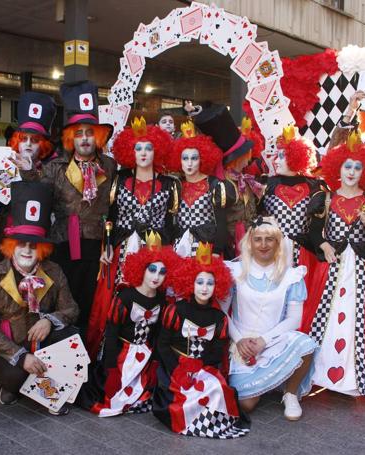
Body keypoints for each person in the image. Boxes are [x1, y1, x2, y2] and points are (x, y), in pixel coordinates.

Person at [20, 81, 116, 335]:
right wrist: (27, 169)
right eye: (79, 133)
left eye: (89, 132)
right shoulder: (55, 167)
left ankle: (91, 355)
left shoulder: (110, 165)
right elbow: (36, 193)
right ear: (70, 137)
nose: (84, 138)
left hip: (98, 247)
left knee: (93, 305)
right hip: (63, 245)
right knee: (64, 302)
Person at [0, 181, 79, 415]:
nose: (27, 250)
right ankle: (15, 385)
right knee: (14, 374)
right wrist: (20, 356)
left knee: (70, 334)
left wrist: (50, 320)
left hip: (44, 344)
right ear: (10, 246)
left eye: (33, 246)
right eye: (21, 244)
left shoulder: (54, 271)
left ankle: (51, 391)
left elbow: (71, 309)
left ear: (41, 250)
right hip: (11, 347)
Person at [302, 134, 365, 397]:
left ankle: (354, 376)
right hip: (332, 268)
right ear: (337, 168)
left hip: (363, 269)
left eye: (357, 167)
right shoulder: (324, 198)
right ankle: (318, 373)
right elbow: (314, 230)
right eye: (347, 166)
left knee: (360, 317)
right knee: (325, 315)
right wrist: (324, 245)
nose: (351, 172)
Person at [87, 117, 177, 356]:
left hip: (153, 253)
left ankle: (145, 350)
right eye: (138, 148)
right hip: (122, 249)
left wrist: (160, 243)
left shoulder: (169, 184)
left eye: (149, 148)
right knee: (117, 298)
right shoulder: (120, 180)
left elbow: (171, 224)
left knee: (149, 298)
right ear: (130, 151)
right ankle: (109, 352)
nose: (144, 153)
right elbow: (110, 216)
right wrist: (107, 245)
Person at [152, 243, 250, 438]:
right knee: (183, 396)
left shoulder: (219, 317)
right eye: (199, 282)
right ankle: (187, 418)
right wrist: (177, 369)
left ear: (217, 286)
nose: (204, 288)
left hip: (203, 367)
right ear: (190, 283)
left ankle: (205, 422)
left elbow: (216, 350)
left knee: (217, 389)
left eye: (210, 283)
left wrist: (201, 369)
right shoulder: (176, 310)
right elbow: (162, 344)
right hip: (174, 366)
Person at [224, 217, 316, 421]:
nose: (263, 245)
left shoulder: (292, 275)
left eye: (269, 239)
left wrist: (264, 341)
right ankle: (268, 380)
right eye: (258, 239)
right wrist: (239, 340)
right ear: (250, 242)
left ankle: (290, 394)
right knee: (245, 404)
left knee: (306, 344)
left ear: (277, 243)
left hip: (273, 341)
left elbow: (294, 320)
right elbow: (222, 313)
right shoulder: (234, 271)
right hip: (241, 345)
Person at [77, 235, 179, 416]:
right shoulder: (125, 297)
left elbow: (156, 336)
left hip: (144, 361)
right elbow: (111, 334)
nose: (156, 276)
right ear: (142, 269)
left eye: (162, 272)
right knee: (110, 396)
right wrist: (111, 368)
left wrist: (155, 362)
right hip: (120, 357)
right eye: (152, 269)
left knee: (145, 395)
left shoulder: (162, 301)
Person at [259, 127, 323, 275]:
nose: (276, 161)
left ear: (295, 157)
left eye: (281, 156)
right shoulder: (267, 184)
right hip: (272, 251)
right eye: (277, 155)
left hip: (304, 254)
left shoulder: (314, 186)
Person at [167, 121, 236, 257]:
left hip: (206, 249)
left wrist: (216, 250)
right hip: (180, 249)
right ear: (179, 160)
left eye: (194, 158)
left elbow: (221, 222)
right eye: (185, 158)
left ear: (202, 159)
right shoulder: (176, 186)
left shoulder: (214, 185)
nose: (190, 163)